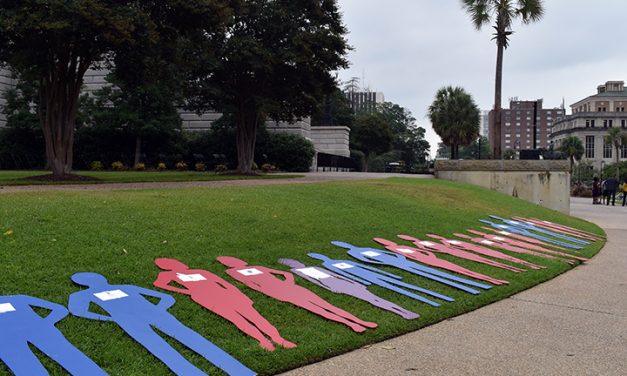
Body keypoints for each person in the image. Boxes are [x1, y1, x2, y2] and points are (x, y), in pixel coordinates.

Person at [68, 272, 255, 376]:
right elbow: (164, 297)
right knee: (183, 342)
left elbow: (80, 311)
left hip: (137, 319)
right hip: (145, 316)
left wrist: (110, 318)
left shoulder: (84, 295)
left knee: (165, 349)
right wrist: (160, 309)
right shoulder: (121, 288)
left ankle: (235, 370)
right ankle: (239, 370)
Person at [153, 258, 296, 352]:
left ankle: (279, 339)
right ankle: (263, 340)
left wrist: (240, 295)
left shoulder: (201, 271)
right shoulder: (167, 275)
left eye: (175, 262)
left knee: (256, 317)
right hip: (206, 298)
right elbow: (159, 284)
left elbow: (223, 283)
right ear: (165, 267)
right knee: (236, 319)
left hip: (228, 295)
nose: (176, 264)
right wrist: (187, 291)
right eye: (169, 264)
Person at [0, 294, 106, 376]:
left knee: (70, 356)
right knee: (25, 365)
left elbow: (59, 309)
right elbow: (59, 309)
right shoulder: (18, 298)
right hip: (7, 340)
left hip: (41, 332)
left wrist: (45, 323)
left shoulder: (18, 298)